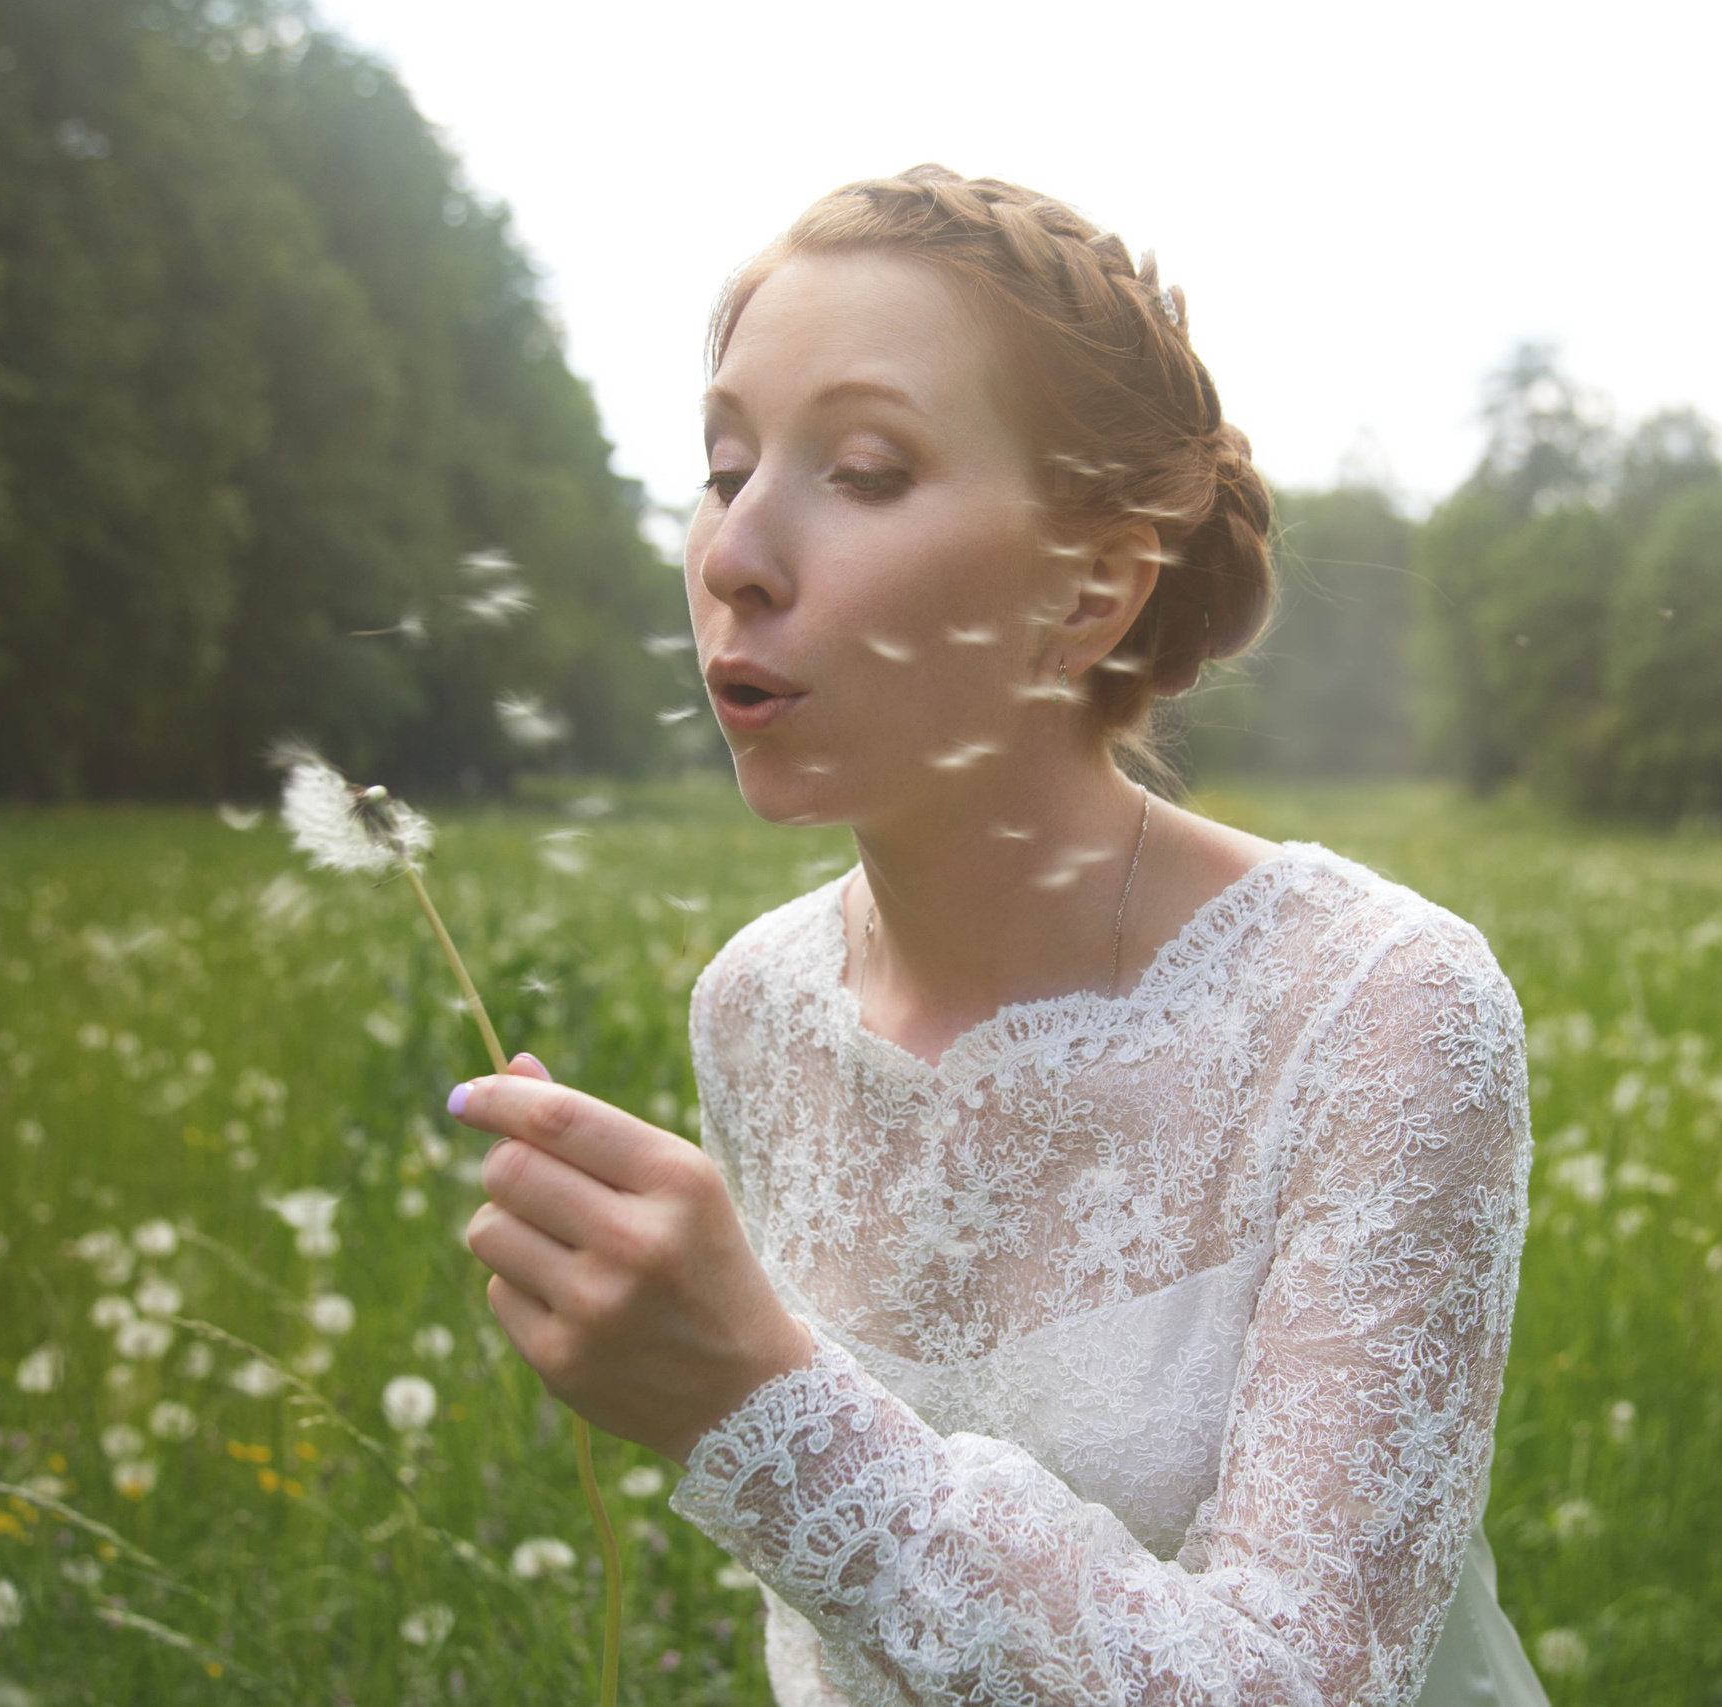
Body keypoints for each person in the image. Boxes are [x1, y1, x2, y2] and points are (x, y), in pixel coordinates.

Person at [448, 165, 1545, 1706]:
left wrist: (756, 1407)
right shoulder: (755, 1008)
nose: (731, 556)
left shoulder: (1379, 1012)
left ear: (1094, 589)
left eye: (869, 470)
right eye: (724, 467)